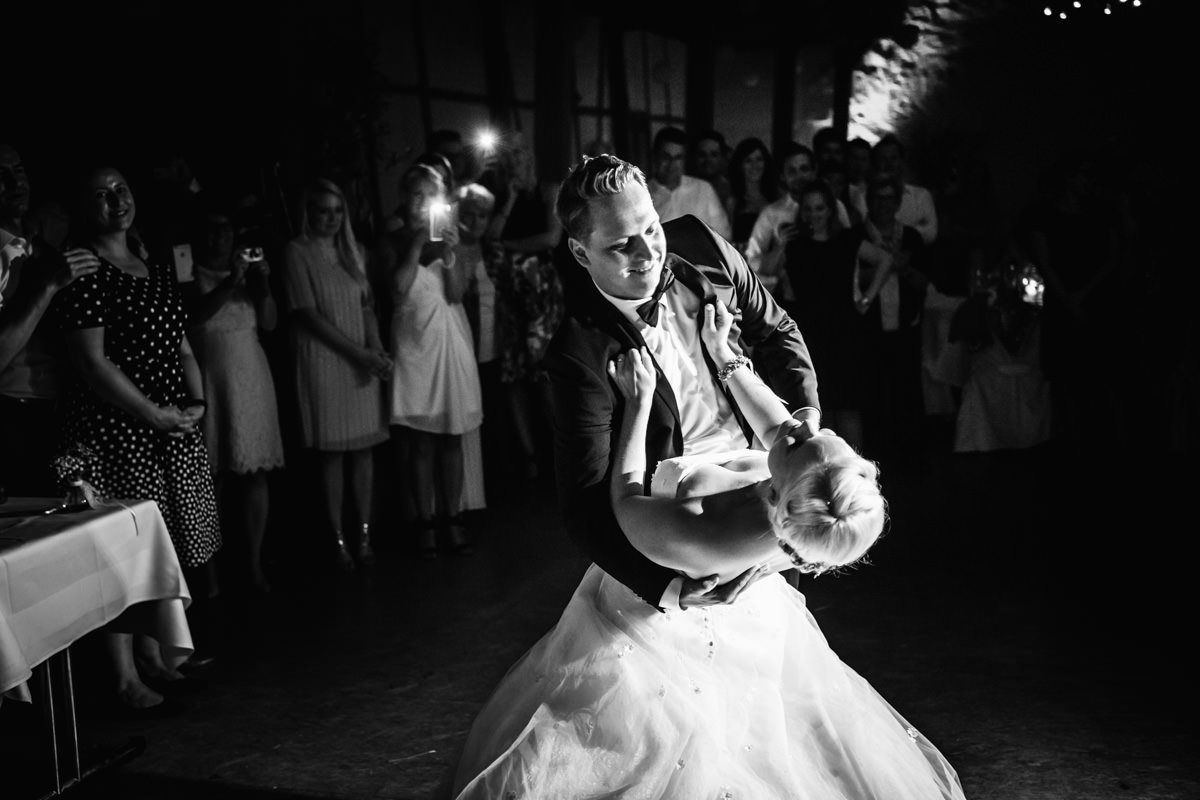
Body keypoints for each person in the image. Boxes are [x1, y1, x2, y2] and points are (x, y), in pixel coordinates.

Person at [450, 297, 966, 799]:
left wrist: (638, 402)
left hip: (654, 628)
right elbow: (779, 428)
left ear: (784, 497)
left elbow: (626, 501)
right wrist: (728, 359)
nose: (804, 425)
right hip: (761, 608)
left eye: (803, 442)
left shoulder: (706, 535)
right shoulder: (814, 499)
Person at [544, 153, 821, 614]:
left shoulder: (704, 247)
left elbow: (777, 332)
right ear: (580, 251)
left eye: (652, 228)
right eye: (621, 245)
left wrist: (802, 430)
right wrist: (665, 588)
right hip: (682, 539)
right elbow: (583, 501)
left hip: (772, 498)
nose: (649, 253)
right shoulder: (579, 353)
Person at [54, 165, 221, 712]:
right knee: (123, 552)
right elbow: (92, 362)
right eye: (99, 194)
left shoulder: (151, 260)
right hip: (119, 430)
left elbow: (182, 343)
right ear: (82, 208)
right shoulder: (84, 269)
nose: (115, 200)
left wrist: (195, 402)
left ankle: (156, 655)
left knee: (163, 543)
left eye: (121, 188)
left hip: (169, 423)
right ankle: (124, 673)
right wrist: (153, 414)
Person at [282, 178, 390, 571]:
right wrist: (360, 354)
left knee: (363, 452)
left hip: (360, 358)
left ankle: (363, 534)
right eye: (322, 210)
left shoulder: (355, 252)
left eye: (336, 210)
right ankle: (338, 538)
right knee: (332, 456)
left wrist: (376, 350)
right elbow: (307, 314)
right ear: (308, 214)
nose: (330, 218)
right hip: (324, 359)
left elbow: (367, 307)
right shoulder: (297, 252)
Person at [185, 205, 286, 593]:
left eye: (226, 229)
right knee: (213, 477)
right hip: (209, 376)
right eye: (212, 229)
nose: (220, 236)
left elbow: (272, 322)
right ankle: (210, 576)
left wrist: (262, 288)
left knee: (255, 471)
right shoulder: (189, 270)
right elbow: (194, 317)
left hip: (250, 376)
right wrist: (231, 283)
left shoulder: (249, 274)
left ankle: (254, 561)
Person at [384, 164, 482, 557]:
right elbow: (395, 289)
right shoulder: (392, 239)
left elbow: (456, 294)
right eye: (416, 193)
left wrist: (452, 252)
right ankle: (424, 519)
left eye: (429, 194)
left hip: (448, 335)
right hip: (413, 339)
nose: (421, 201)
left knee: (451, 434)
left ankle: (451, 515)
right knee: (421, 439)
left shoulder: (451, 238)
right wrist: (416, 244)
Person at [1, 143, 101, 496]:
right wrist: (46, 287)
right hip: (14, 412)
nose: (14, 182)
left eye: (19, 171)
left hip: (62, 408)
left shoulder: (42, 237)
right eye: (0, 175)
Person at [781, 181, 894, 449]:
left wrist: (867, 298)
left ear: (830, 210)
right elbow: (772, 274)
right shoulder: (795, 244)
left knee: (848, 406)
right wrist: (780, 242)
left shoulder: (847, 239)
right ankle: (826, 474)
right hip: (810, 331)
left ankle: (854, 475)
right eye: (808, 209)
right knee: (820, 407)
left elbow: (885, 260)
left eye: (819, 208)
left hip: (844, 330)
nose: (813, 214)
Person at [744, 141, 851, 297]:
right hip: (788, 298)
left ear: (814, 171)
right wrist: (779, 250)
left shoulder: (835, 206)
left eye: (804, 169)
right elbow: (751, 261)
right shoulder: (772, 213)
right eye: (792, 171)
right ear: (783, 176)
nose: (799, 176)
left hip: (833, 294)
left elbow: (849, 251)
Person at [646, 127, 732, 239]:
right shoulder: (642, 195)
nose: (672, 165)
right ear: (655, 157)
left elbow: (723, 235)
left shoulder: (703, 189)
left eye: (678, 158)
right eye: (666, 157)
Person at [724, 136, 778, 255]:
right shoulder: (733, 203)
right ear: (740, 166)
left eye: (759, 159)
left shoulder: (776, 198)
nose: (755, 165)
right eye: (748, 160)